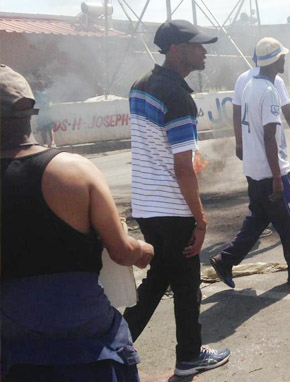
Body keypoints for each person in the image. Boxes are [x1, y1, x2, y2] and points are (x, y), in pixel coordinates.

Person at [1, 64, 154, 381]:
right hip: (83, 327)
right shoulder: (74, 170)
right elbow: (122, 252)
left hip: (12, 335)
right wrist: (144, 249)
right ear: (31, 112)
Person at [122, 20, 230, 377]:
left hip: (147, 207)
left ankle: (116, 345)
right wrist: (200, 219)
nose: (204, 52)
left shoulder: (139, 88)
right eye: (197, 46)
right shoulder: (179, 97)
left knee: (159, 280)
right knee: (186, 286)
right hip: (172, 209)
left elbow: (160, 149)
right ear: (175, 50)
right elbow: (183, 169)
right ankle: (188, 357)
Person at [210, 37, 290, 288]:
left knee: (257, 220)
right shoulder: (270, 91)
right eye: (282, 57)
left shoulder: (249, 84)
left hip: (254, 170)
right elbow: (270, 136)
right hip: (272, 172)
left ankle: (225, 260)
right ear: (274, 61)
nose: (284, 60)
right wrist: (279, 178)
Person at [232, 50, 290, 238]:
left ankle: (227, 258)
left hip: (251, 159)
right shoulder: (272, 83)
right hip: (273, 159)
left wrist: (239, 142)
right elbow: (287, 114)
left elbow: (236, 113)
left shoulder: (244, 80)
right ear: (272, 60)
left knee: (257, 208)